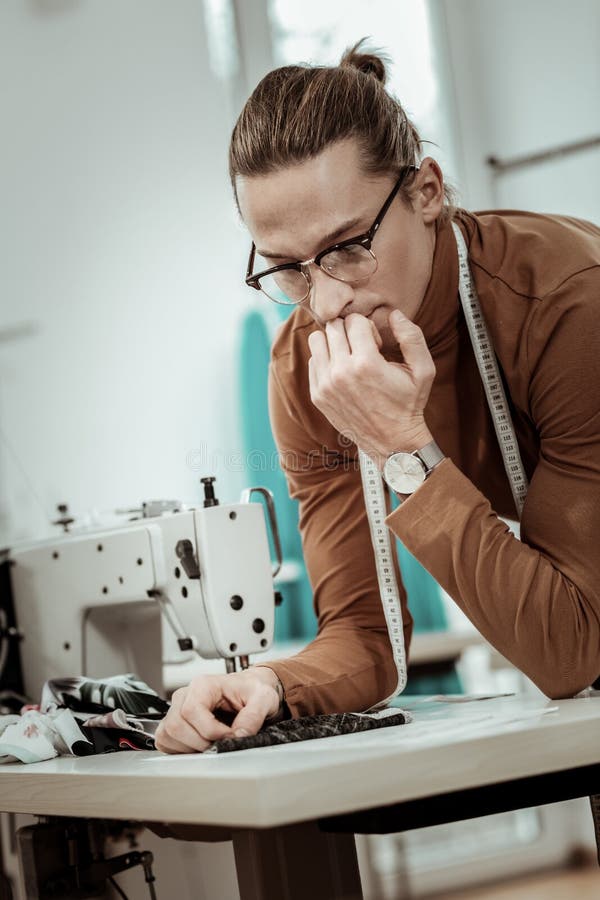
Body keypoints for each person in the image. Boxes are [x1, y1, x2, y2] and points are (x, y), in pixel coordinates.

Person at [155, 41, 600, 754]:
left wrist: (403, 448)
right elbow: (365, 633)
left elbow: (571, 650)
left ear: (427, 191)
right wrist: (275, 683)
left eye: (348, 246)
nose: (327, 303)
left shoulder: (569, 305)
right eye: (287, 270)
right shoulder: (304, 366)